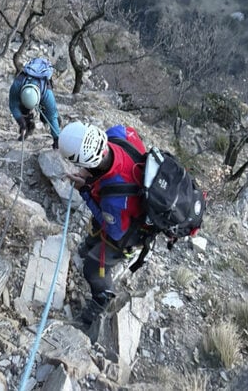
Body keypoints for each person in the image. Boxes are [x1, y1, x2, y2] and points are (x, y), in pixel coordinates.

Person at [59, 121, 151, 326]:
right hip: (125, 207)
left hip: (127, 230)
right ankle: (88, 247)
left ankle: (103, 296)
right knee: (95, 230)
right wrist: (88, 175)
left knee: (93, 267)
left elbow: (113, 231)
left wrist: (84, 190)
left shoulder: (114, 200)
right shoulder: (118, 133)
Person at [8, 58, 61, 148]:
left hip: (42, 92)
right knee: (22, 110)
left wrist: (57, 138)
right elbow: (13, 105)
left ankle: (57, 123)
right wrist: (21, 121)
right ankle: (28, 127)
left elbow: (51, 117)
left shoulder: (47, 93)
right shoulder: (16, 85)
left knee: (47, 117)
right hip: (25, 91)